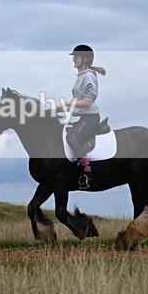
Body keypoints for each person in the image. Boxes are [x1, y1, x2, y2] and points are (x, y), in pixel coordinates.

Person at [57, 45, 107, 189]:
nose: (73, 59)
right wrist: (58, 109)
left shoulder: (88, 76)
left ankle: (88, 175)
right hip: (83, 117)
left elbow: (87, 103)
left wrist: (67, 104)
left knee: (73, 139)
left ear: (85, 59)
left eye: (76, 57)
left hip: (91, 118)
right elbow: (78, 104)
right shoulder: (81, 76)